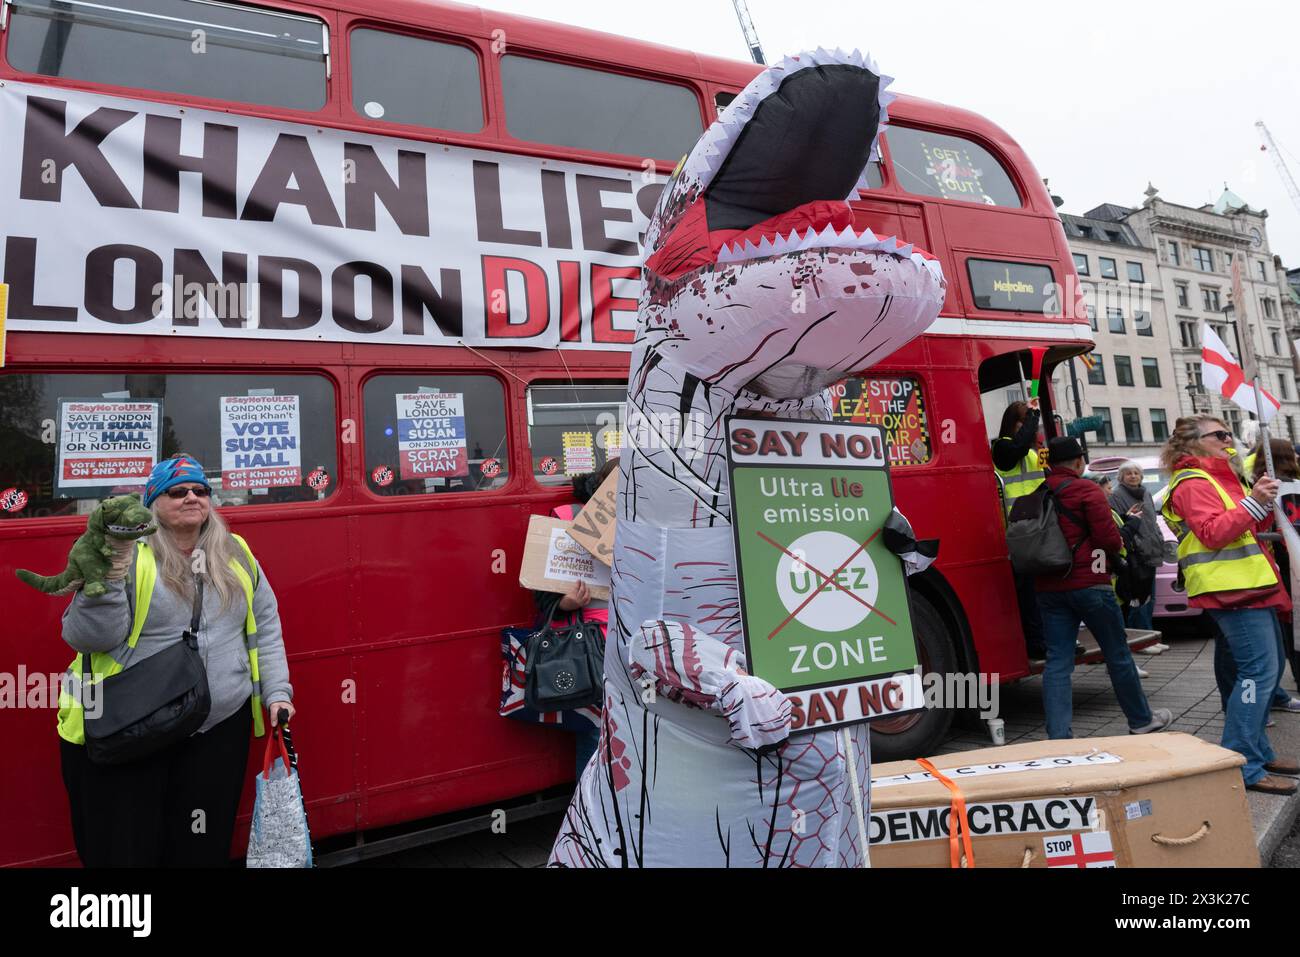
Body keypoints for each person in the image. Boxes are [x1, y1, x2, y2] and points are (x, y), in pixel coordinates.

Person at [58, 454, 295, 865]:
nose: (191, 497)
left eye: (201, 490)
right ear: (153, 501)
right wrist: (109, 576)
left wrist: (277, 692)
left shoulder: (235, 551)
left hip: (216, 730)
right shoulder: (126, 554)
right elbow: (86, 638)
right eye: (177, 491)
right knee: (130, 848)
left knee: (200, 844)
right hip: (136, 731)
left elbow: (265, 624)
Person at [1161, 418, 1298, 794]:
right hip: (1232, 591)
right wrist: (1254, 501)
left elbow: (1242, 528)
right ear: (1193, 444)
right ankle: (1244, 761)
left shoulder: (1221, 477)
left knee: (1267, 671)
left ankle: (1257, 751)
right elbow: (1214, 533)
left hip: (1249, 586)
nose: (1228, 440)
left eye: (1228, 433)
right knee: (1256, 675)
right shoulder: (1192, 482)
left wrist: (1263, 499)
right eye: (1218, 435)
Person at [1035, 436, 1171, 740]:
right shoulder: (1086, 489)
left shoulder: (1039, 492)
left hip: (1048, 587)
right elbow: (1110, 540)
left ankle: (1058, 737)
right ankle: (1141, 720)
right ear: (1080, 462)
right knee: (1117, 653)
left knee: (1057, 661)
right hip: (1091, 584)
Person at [531, 458, 617, 776]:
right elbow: (540, 591)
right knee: (595, 735)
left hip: (633, 645)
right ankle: (589, 816)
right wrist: (565, 602)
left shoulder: (646, 524)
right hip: (592, 646)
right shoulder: (568, 518)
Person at [1246, 440, 1300, 715]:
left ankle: (1271, 696)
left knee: (1284, 634)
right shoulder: (1277, 486)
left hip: (1274, 566)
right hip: (1280, 564)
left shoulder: (1259, 484)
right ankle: (1254, 706)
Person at [992, 398, 1046, 658]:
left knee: (1043, 592)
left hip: (1039, 527)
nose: (1030, 427)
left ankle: (1048, 639)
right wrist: (1034, 415)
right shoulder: (1002, 448)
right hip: (1018, 531)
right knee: (1028, 593)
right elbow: (1019, 447)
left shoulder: (1033, 449)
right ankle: (1037, 643)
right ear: (1013, 424)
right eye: (1024, 422)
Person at [1109, 461, 1163, 630]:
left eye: (1136, 473)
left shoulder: (1145, 492)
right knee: (1137, 599)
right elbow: (1120, 524)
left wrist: (1159, 538)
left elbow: (1152, 520)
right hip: (1136, 554)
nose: (1133, 476)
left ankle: (1149, 635)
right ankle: (1141, 637)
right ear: (1121, 477)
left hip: (1152, 550)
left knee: (1150, 598)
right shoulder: (1116, 495)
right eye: (1128, 473)